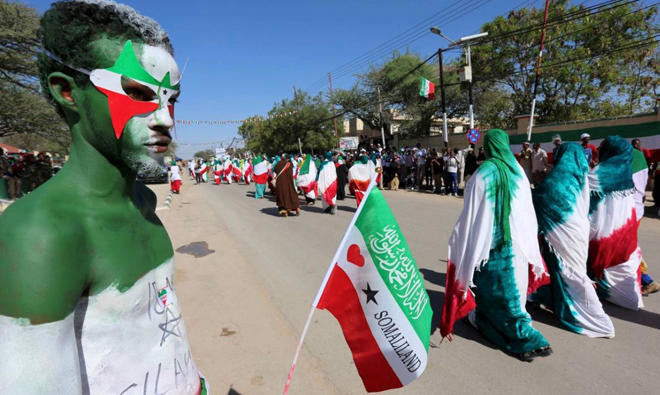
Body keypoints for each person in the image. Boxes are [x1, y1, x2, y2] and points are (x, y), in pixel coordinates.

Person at [0, 1, 205, 393]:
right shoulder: (40, 235)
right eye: (139, 93)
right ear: (67, 92)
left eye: (171, 99)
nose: (165, 118)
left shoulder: (144, 201)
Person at [440, 129, 551, 361]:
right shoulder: (519, 171)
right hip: (519, 248)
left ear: (488, 146)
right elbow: (527, 213)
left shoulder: (483, 174)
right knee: (512, 297)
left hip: (492, 251)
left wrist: (461, 241)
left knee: (502, 297)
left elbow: (471, 216)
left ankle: (527, 337)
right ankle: (511, 328)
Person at [530, 143, 614, 337]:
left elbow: (543, 198)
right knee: (562, 268)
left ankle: (594, 317)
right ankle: (549, 299)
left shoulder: (558, 180)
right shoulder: (581, 175)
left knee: (570, 273)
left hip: (563, 231)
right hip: (578, 229)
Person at [588, 136, 643, 310]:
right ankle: (630, 297)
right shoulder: (625, 172)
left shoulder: (598, 174)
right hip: (626, 228)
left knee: (602, 255)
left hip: (603, 229)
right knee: (625, 258)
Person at [631, 144, 659, 295]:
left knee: (629, 248)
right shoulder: (638, 162)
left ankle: (647, 280)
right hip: (635, 211)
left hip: (629, 215)